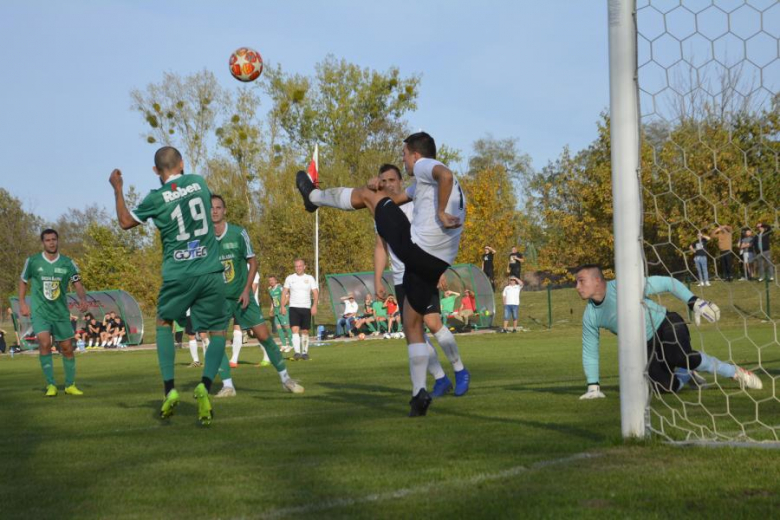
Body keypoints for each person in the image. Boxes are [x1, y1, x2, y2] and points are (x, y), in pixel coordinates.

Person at [297, 132, 469, 416]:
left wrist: (439, 212)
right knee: (412, 324)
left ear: (416, 154)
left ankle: (312, 197)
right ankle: (419, 393)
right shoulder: (424, 185)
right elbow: (399, 198)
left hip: (417, 250)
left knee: (367, 196)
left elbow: (445, 174)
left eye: (405, 155)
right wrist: (382, 191)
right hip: (434, 262)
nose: (404, 160)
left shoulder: (425, 166)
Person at [110, 146, 229, 426]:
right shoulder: (199, 182)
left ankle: (169, 389)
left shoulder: (156, 198)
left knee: (164, 322)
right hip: (210, 270)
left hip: (179, 273)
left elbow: (125, 222)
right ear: (182, 163)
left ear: (155, 170)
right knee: (218, 332)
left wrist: (118, 189)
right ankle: (205, 384)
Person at [574, 265, 762, 398]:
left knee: (680, 356)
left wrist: (693, 301)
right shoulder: (590, 315)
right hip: (645, 345)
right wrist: (593, 387)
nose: (577, 287)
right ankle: (686, 373)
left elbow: (667, 283)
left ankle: (733, 371)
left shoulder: (624, 287)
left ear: (597, 280)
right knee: (663, 388)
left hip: (666, 324)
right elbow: (590, 351)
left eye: (581, 281)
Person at [371, 163, 468, 400]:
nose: (388, 184)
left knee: (433, 323)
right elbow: (381, 247)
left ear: (400, 181)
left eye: (392, 180)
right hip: (400, 278)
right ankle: (440, 378)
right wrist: (377, 280)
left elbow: (434, 236)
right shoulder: (383, 211)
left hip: (422, 271)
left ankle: (460, 371)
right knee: (412, 331)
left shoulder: (415, 204)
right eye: (383, 181)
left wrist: (438, 270)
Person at [211, 194, 303, 396]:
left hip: (242, 296)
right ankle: (228, 386)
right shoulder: (204, 238)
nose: (214, 211)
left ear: (224, 210)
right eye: (211, 208)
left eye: (218, 207)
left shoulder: (238, 233)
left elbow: (253, 262)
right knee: (216, 342)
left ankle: (286, 379)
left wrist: (246, 290)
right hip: (218, 299)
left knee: (264, 336)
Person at [18, 228, 89, 396]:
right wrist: (22, 303)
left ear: (57, 241)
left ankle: (70, 385)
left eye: (54, 239)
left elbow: (77, 283)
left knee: (67, 348)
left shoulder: (67, 263)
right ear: (43, 242)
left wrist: (82, 299)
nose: (51, 242)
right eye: (48, 240)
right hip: (40, 312)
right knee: (44, 343)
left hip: (60, 313)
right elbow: (23, 281)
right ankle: (51, 385)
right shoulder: (33, 261)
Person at [282, 259, 318, 361]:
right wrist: (282, 306)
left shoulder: (309, 278)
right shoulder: (290, 278)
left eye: (300, 266)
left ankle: (305, 353)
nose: (298, 268)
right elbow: (284, 292)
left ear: (304, 267)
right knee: (294, 330)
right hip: (293, 307)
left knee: (305, 331)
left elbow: (315, 292)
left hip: (306, 308)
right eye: (296, 266)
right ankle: (297, 352)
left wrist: (314, 305)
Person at [268, 276, 293, 353]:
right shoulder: (270, 289)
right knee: (278, 327)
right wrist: (271, 309)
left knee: (286, 326)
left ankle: (291, 344)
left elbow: (287, 297)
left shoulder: (280, 288)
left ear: (276, 281)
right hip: (276, 311)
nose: (271, 282)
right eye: (270, 280)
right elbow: (272, 300)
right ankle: (284, 344)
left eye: (273, 280)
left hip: (283, 310)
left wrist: (282, 307)